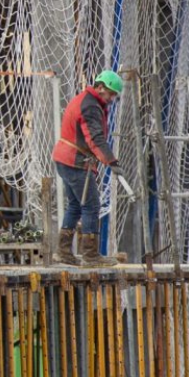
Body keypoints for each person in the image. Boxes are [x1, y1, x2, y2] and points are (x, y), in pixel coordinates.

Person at [53, 70, 121, 268]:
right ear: (100, 87)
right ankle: (90, 255)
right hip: (75, 161)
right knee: (91, 206)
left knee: (75, 205)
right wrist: (112, 161)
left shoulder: (85, 99)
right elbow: (95, 138)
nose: (111, 98)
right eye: (110, 93)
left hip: (64, 158)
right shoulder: (90, 106)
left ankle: (64, 251)